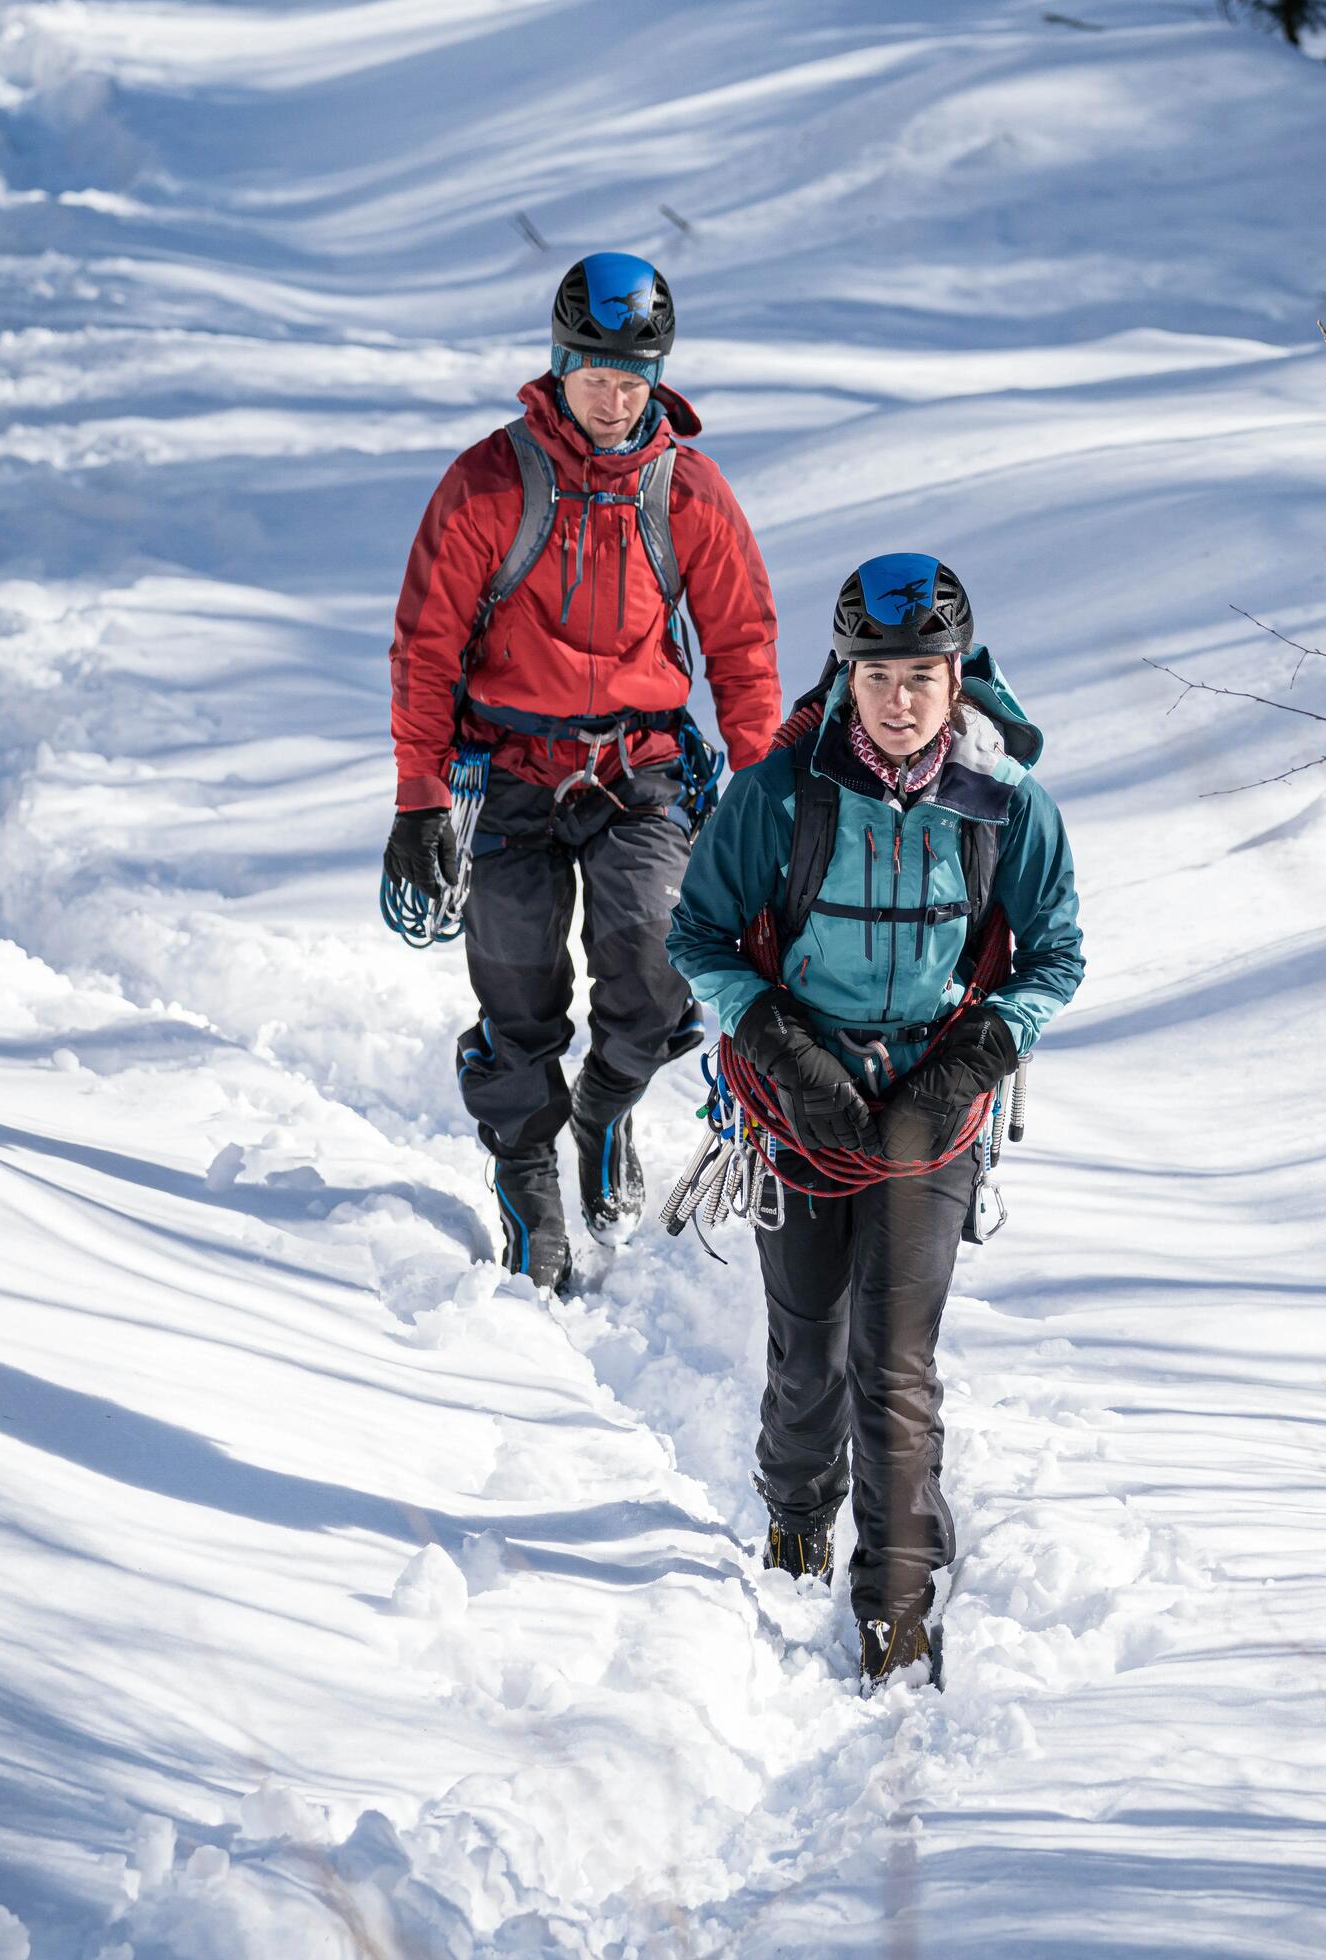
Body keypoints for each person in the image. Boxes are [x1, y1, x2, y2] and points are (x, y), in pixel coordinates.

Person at [666, 554, 1084, 1690]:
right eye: (879, 676)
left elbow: (1055, 954)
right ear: (846, 678)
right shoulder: (781, 794)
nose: (901, 702)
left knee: (895, 1362)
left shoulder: (1006, 806)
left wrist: (983, 1053)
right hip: (800, 1100)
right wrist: (779, 1049)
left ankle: (897, 1611)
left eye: (923, 677)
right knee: (811, 1351)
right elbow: (697, 937)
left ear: (961, 680)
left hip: (932, 1107)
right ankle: (798, 1509)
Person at [385, 253, 780, 1294]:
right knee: (516, 984)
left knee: (656, 967)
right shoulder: (486, 482)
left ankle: (604, 1110)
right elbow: (426, 647)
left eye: (635, 376)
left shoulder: (686, 489)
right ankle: (527, 1174)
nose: (615, 397)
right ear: (558, 366)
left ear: (660, 375)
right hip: (508, 771)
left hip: (641, 767)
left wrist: (770, 788)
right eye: (597, 373)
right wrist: (418, 800)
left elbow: (742, 643)